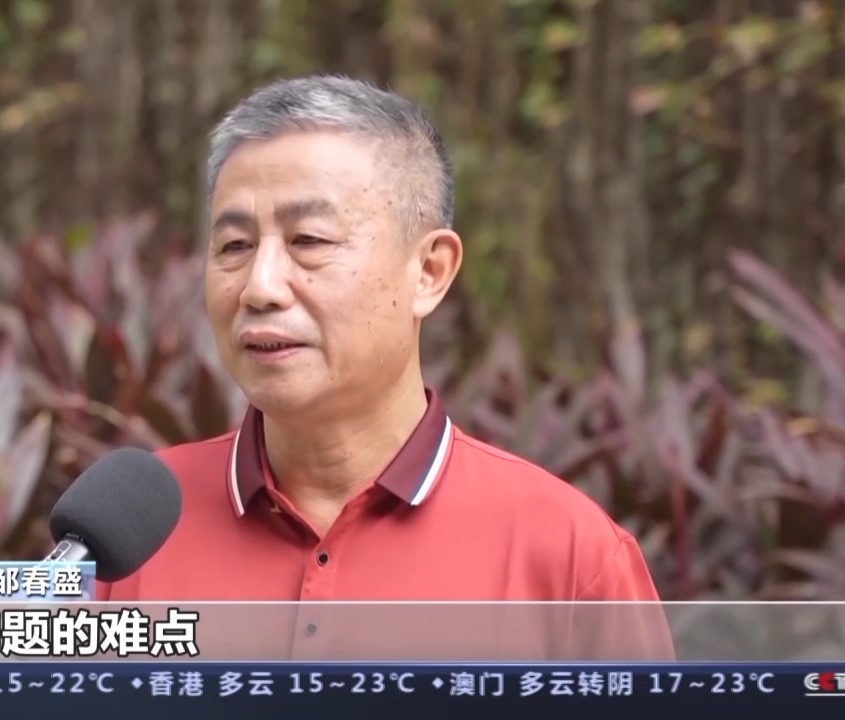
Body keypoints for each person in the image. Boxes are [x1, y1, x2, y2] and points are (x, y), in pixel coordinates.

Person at [94, 75, 671, 660]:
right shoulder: (124, 533)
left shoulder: (569, 557)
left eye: (309, 240)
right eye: (235, 246)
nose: (260, 287)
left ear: (429, 272)